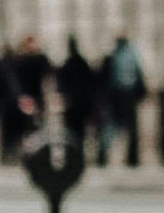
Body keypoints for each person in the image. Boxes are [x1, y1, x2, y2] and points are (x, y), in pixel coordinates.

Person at [100, 33, 147, 167]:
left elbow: (107, 78)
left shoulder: (114, 55)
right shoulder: (132, 55)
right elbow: (139, 75)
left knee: (112, 126)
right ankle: (133, 158)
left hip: (117, 95)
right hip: (128, 95)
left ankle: (104, 156)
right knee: (131, 128)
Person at [56, 37, 98, 156]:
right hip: (80, 103)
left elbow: (61, 84)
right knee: (79, 131)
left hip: (72, 104)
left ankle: (73, 153)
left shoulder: (68, 64)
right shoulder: (81, 63)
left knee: (72, 131)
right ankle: (77, 154)